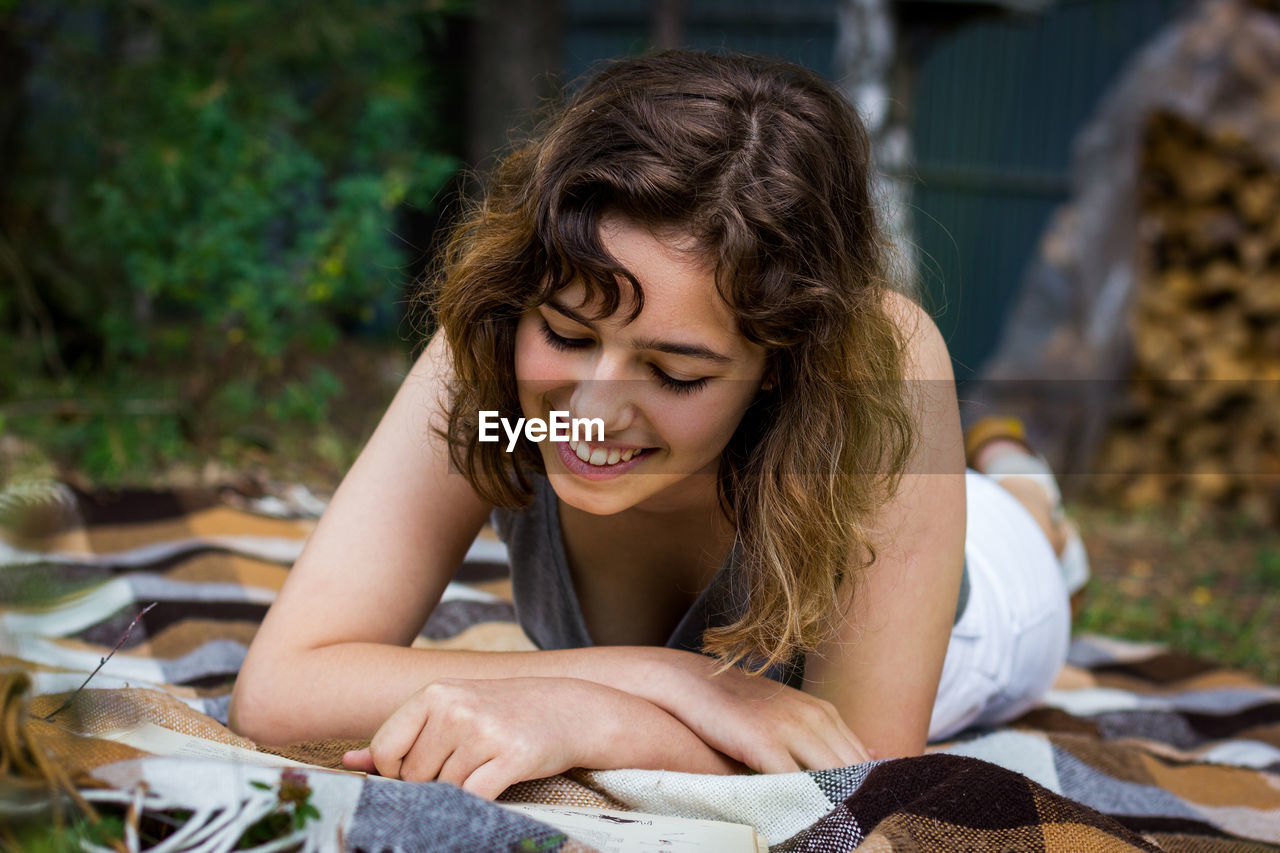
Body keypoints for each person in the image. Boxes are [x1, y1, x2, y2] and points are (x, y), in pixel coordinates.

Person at [228, 49, 1087, 799]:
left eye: (676, 372)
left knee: (1026, 529)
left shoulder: (874, 367)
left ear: (779, 364)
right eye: (567, 333)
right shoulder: (493, 364)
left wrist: (599, 723)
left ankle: (1024, 482)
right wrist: (668, 680)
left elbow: (857, 773)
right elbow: (279, 688)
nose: (590, 413)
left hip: (997, 596)